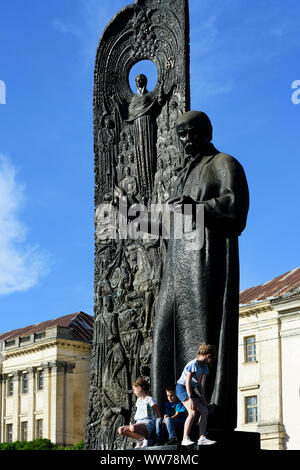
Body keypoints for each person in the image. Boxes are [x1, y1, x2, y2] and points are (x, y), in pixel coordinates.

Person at [151, 110, 249, 431]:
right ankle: (165, 414)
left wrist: (198, 208)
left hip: (204, 264)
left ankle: (204, 416)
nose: (187, 140)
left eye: (192, 133)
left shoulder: (223, 164)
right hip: (176, 268)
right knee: (164, 334)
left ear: (207, 132)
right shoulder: (183, 173)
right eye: (181, 135)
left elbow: (234, 207)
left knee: (202, 334)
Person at [176, 343, 216, 446]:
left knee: (204, 411)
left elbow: (198, 384)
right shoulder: (193, 364)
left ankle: (202, 437)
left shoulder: (204, 367)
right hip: (182, 388)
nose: (212, 361)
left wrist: (202, 397)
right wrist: (191, 398)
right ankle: (185, 438)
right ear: (208, 356)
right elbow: (187, 382)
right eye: (212, 358)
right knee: (193, 412)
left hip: (191, 389)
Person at [118, 377, 161, 448]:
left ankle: (147, 438)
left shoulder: (149, 399)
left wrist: (160, 419)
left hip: (148, 423)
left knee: (133, 428)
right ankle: (140, 439)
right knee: (121, 430)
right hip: (139, 423)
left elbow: (156, 409)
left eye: (134, 389)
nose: (134, 392)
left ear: (140, 388)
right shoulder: (138, 401)